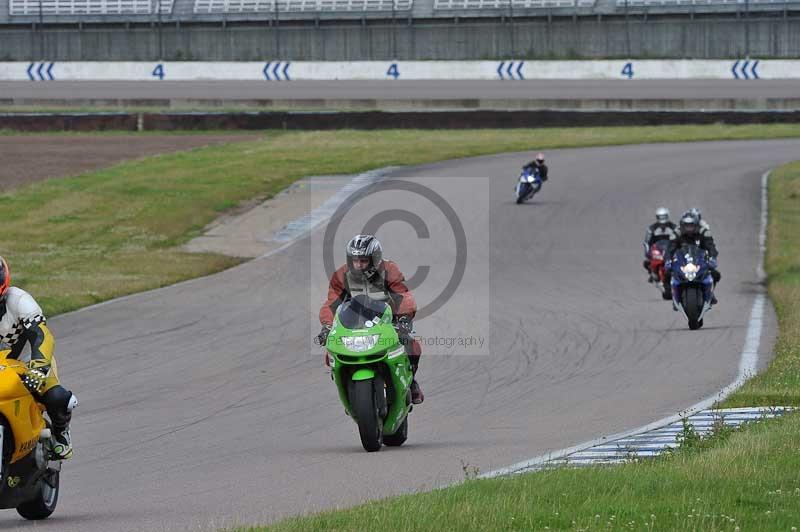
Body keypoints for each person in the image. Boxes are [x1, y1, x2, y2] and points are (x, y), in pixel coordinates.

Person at [317, 235, 424, 404]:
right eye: (355, 260)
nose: (358, 265)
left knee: (412, 345)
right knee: (329, 353)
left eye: (363, 261)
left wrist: (403, 319)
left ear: (374, 259)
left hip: (389, 321)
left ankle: (411, 383)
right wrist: (327, 326)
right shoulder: (341, 275)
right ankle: (346, 384)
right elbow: (331, 303)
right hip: (353, 323)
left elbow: (403, 296)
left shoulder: (389, 270)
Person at [0, 257, 76, 459]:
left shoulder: (19, 300)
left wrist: (39, 368)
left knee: (58, 397)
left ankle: (61, 434)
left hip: (27, 362)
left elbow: (41, 335)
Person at [667, 213, 720, 306]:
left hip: (699, 259)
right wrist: (667, 260)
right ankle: (675, 296)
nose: (689, 228)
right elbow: (670, 249)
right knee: (668, 273)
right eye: (686, 225)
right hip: (682, 260)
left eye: (691, 225)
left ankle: (711, 294)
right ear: (682, 225)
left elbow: (711, 247)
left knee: (715, 274)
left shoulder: (704, 232)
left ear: (696, 225)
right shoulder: (676, 233)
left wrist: (713, 257)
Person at [642, 207, 677, 278]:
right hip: (657, 250)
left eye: (664, 216)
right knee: (646, 263)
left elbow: (679, 240)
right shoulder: (651, 229)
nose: (662, 220)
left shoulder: (674, 228)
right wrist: (648, 254)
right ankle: (654, 273)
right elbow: (647, 243)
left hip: (669, 250)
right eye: (660, 217)